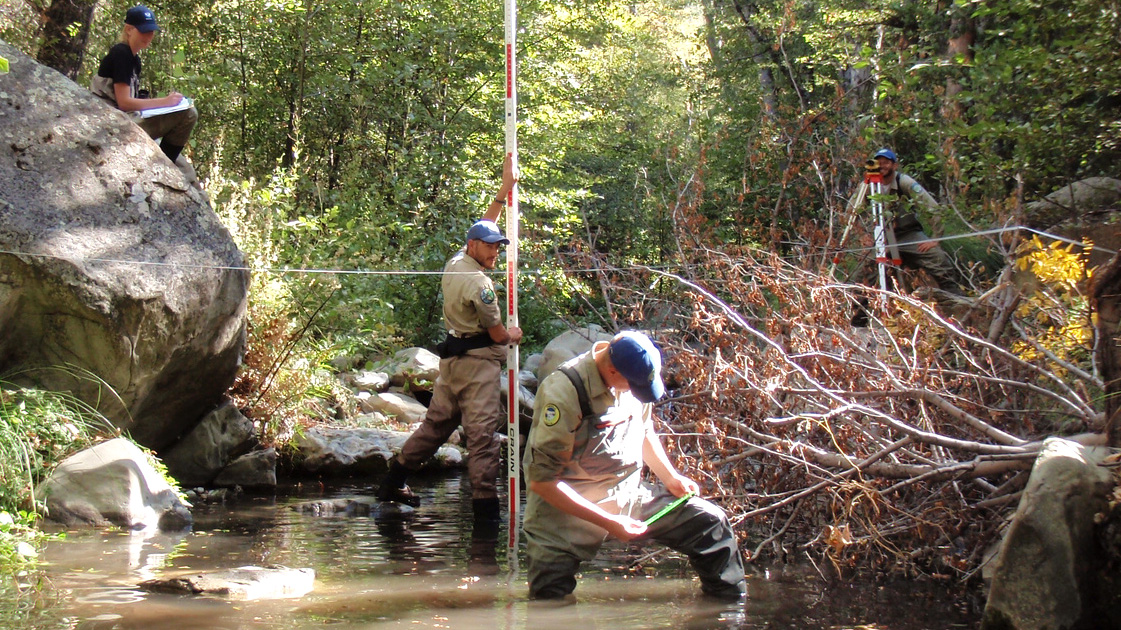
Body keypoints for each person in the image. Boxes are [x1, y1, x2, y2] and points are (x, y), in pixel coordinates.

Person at [522, 331, 746, 601]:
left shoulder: (632, 375)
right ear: (612, 370)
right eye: (634, 386)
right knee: (549, 601)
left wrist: (670, 478)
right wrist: (610, 522)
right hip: (564, 517)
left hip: (628, 496)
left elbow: (644, 430)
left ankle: (727, 612)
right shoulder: (563, 392)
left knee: (711, 524)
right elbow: (543, 483)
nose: (638, 392)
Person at [376, 155, 522, 526]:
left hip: (451, 364)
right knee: (483, 438)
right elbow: (497, 334)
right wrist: (513, 335)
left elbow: (486, 221)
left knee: (435, 427)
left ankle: (393, 482)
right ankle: (486, 516)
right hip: (476, 368)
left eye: (497, 248)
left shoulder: (456, 261)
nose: (494, 253)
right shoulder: (481, 285)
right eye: (489, 248)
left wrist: (505, 187)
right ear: (474, 246)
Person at [90, 5, 199, 176]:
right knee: (189, 114)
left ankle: (166, 167)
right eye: (144, 31)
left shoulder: (134, 59)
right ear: (129, 30)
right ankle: (163, 171)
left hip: (127, 118)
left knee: (186, 170)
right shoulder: (121, 53)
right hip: (112, 121)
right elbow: (124, 103)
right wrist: (165, 102)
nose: (149, 36)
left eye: (151, 31)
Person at [862, 148, 963, 295]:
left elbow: (932, 208)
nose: (882, 166)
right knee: (865, 273)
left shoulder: (904, 182)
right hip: (882, 238)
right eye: (879, 163)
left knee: (939, 260)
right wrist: (863, 236)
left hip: (909, 235)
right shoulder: (869, 185)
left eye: (886, 162)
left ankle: (955, 301)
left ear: (895, 166)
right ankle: (861, 314)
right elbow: (853, 210)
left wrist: (935, 239)